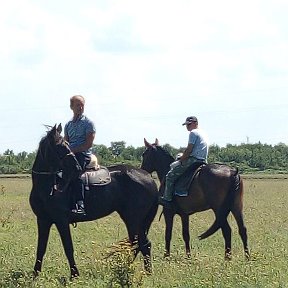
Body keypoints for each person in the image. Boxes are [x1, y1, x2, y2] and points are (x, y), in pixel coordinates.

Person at [159, 116, 209, 208]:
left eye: (189, 124)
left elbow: (189, 149)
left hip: (194, 160)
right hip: (203, 160)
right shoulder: (202, 133)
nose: (187, 126)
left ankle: (167, 199)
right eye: (186, 125)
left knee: (170, 175)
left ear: (195, 123)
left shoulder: (193, 133)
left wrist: (181, 160)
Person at [64, 95, 96, 214]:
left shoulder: (88, 123)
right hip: (70, 154)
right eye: (78, 105)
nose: (80, 107)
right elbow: (66, 142)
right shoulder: (68, 125)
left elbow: (88, 144)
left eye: (82, 105)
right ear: (71, 107)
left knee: (75, 172)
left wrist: (73, 151)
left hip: (83, 154)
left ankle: (80, 204)